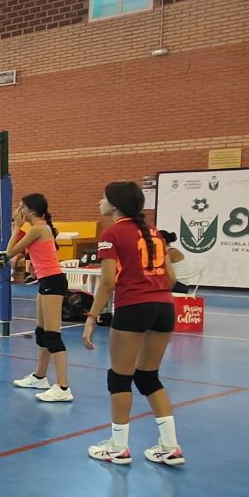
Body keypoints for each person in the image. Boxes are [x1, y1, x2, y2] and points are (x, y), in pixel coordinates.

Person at [81, 181, 184, 466]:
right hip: (164, 306)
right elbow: (172, 279)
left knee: (119, 377)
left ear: (115, 204)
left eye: (103, 197)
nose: (99, 200)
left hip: (134, 306)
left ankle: (118, 446)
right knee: (148, 376)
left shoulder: (111, 233)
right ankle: (170, 446)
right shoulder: (153, 233)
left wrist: (91, 318)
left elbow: (107, 281)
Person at [5, 194, 72, 402]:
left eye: (21, 207)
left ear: (31, 212)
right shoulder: (40, 227)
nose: (18, 210)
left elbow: (9, 252)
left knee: (53, 335)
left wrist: (16, 226)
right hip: (46, 281)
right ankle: (40, 376)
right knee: (42, 332)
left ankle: (63, 388)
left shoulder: (37, 229)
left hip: (53, 281)